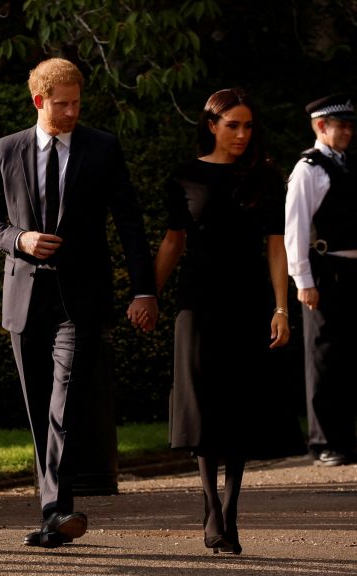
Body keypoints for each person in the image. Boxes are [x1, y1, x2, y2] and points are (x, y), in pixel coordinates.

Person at [0, 57, 157, 549]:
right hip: (24, 297)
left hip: (81, 299)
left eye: (77, 102)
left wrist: (144, 289)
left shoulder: (102, 148)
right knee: (38, 407)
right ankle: (52, 515)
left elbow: (130, 221)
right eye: (63, 104)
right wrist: (20, 239)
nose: (73, 111)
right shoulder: (7, 149)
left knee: (65, 401)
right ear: (40, 101)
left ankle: (57, 508)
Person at [152, 88, 304, 556]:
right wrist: (147, 295)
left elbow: (277, 246)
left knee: (238, 408)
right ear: (212, 125)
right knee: (201, 405)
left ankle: (229, 513)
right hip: (196, 303)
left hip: (247, 302)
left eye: (248, 126)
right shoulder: (184, 177)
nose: (242, 134)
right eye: (233, 125)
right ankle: (211, 508)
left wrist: (282, 308)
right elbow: (173, 242)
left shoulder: (264, 177)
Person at [284, 93, 357, 467]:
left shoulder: (353, 168)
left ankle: (345, 441)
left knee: (350, 357)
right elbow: (294, 229)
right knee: (323, 358)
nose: (347, 132)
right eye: (340, 125)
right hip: (326, 274)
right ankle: (323, 442)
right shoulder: (308, 169)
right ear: (320, 126)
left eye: (349, 126)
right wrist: (302, 281)